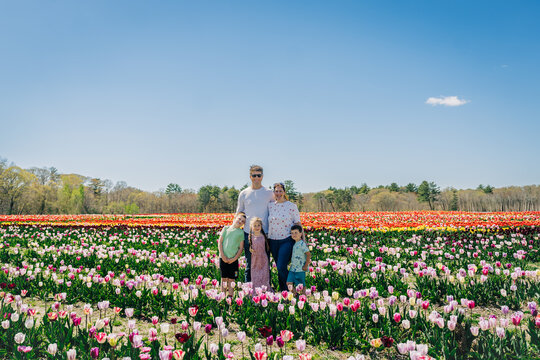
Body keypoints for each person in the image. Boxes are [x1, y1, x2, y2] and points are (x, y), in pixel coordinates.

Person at [236, 165, 274, 282]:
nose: (256, 178)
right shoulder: (244, 193)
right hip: (248, 233)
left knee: (265, 263)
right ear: (250, 177)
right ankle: (249, 291)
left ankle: (265, 289)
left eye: (259, 175)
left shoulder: (269, 193)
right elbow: (239, 212)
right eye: (254, 175)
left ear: (262, 176)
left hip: (265, 234)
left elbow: (274, 211)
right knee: (249, 264)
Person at [268, 182, 301, 291]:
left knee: (281, 267)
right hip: (272, 240)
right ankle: (285, 293)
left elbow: (297, 224)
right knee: (279, 268)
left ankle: (292, 289)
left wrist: (302, 240)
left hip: (286, 240)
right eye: (276, 191)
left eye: (280, 191)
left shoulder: (291, 206)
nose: (278, 193)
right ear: (274, 192)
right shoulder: (270, 206)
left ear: (284, 192)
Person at [217, 212, 246, 297]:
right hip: (223, 258)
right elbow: (220, 242)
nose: (240, 221)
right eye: (239, 219)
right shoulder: (226, 229)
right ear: (235, 218)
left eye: (243, 221)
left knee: (231, 279)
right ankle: (222, 295)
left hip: (233, 259)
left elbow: (241, 248)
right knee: (223, 278)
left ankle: (230, 296)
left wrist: (234, 259)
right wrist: (222, 255)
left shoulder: (241, 233)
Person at [248, 217, 272, 292]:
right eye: (254, 225)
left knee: (264, 274)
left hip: (263, 258)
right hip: (255, 259)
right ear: (251, 227)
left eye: (258, 225)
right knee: (255, 275)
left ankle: (265, 290)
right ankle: (256, 291)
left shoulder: (264, 236)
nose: (257, 227)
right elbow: (249, 247)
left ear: (261, 226)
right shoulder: (251, 237)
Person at [287, 224, 311, 295]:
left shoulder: (302, 244)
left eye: (296, 233)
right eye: (292, 233)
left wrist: (306, 265)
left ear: (301, 233)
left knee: (301, 286)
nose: (294, 235)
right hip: (293, 268)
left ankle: (303, 298)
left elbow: (308, 254)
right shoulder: (295, 244)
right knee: (289, 283)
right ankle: (295, 294)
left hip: (300, 269)